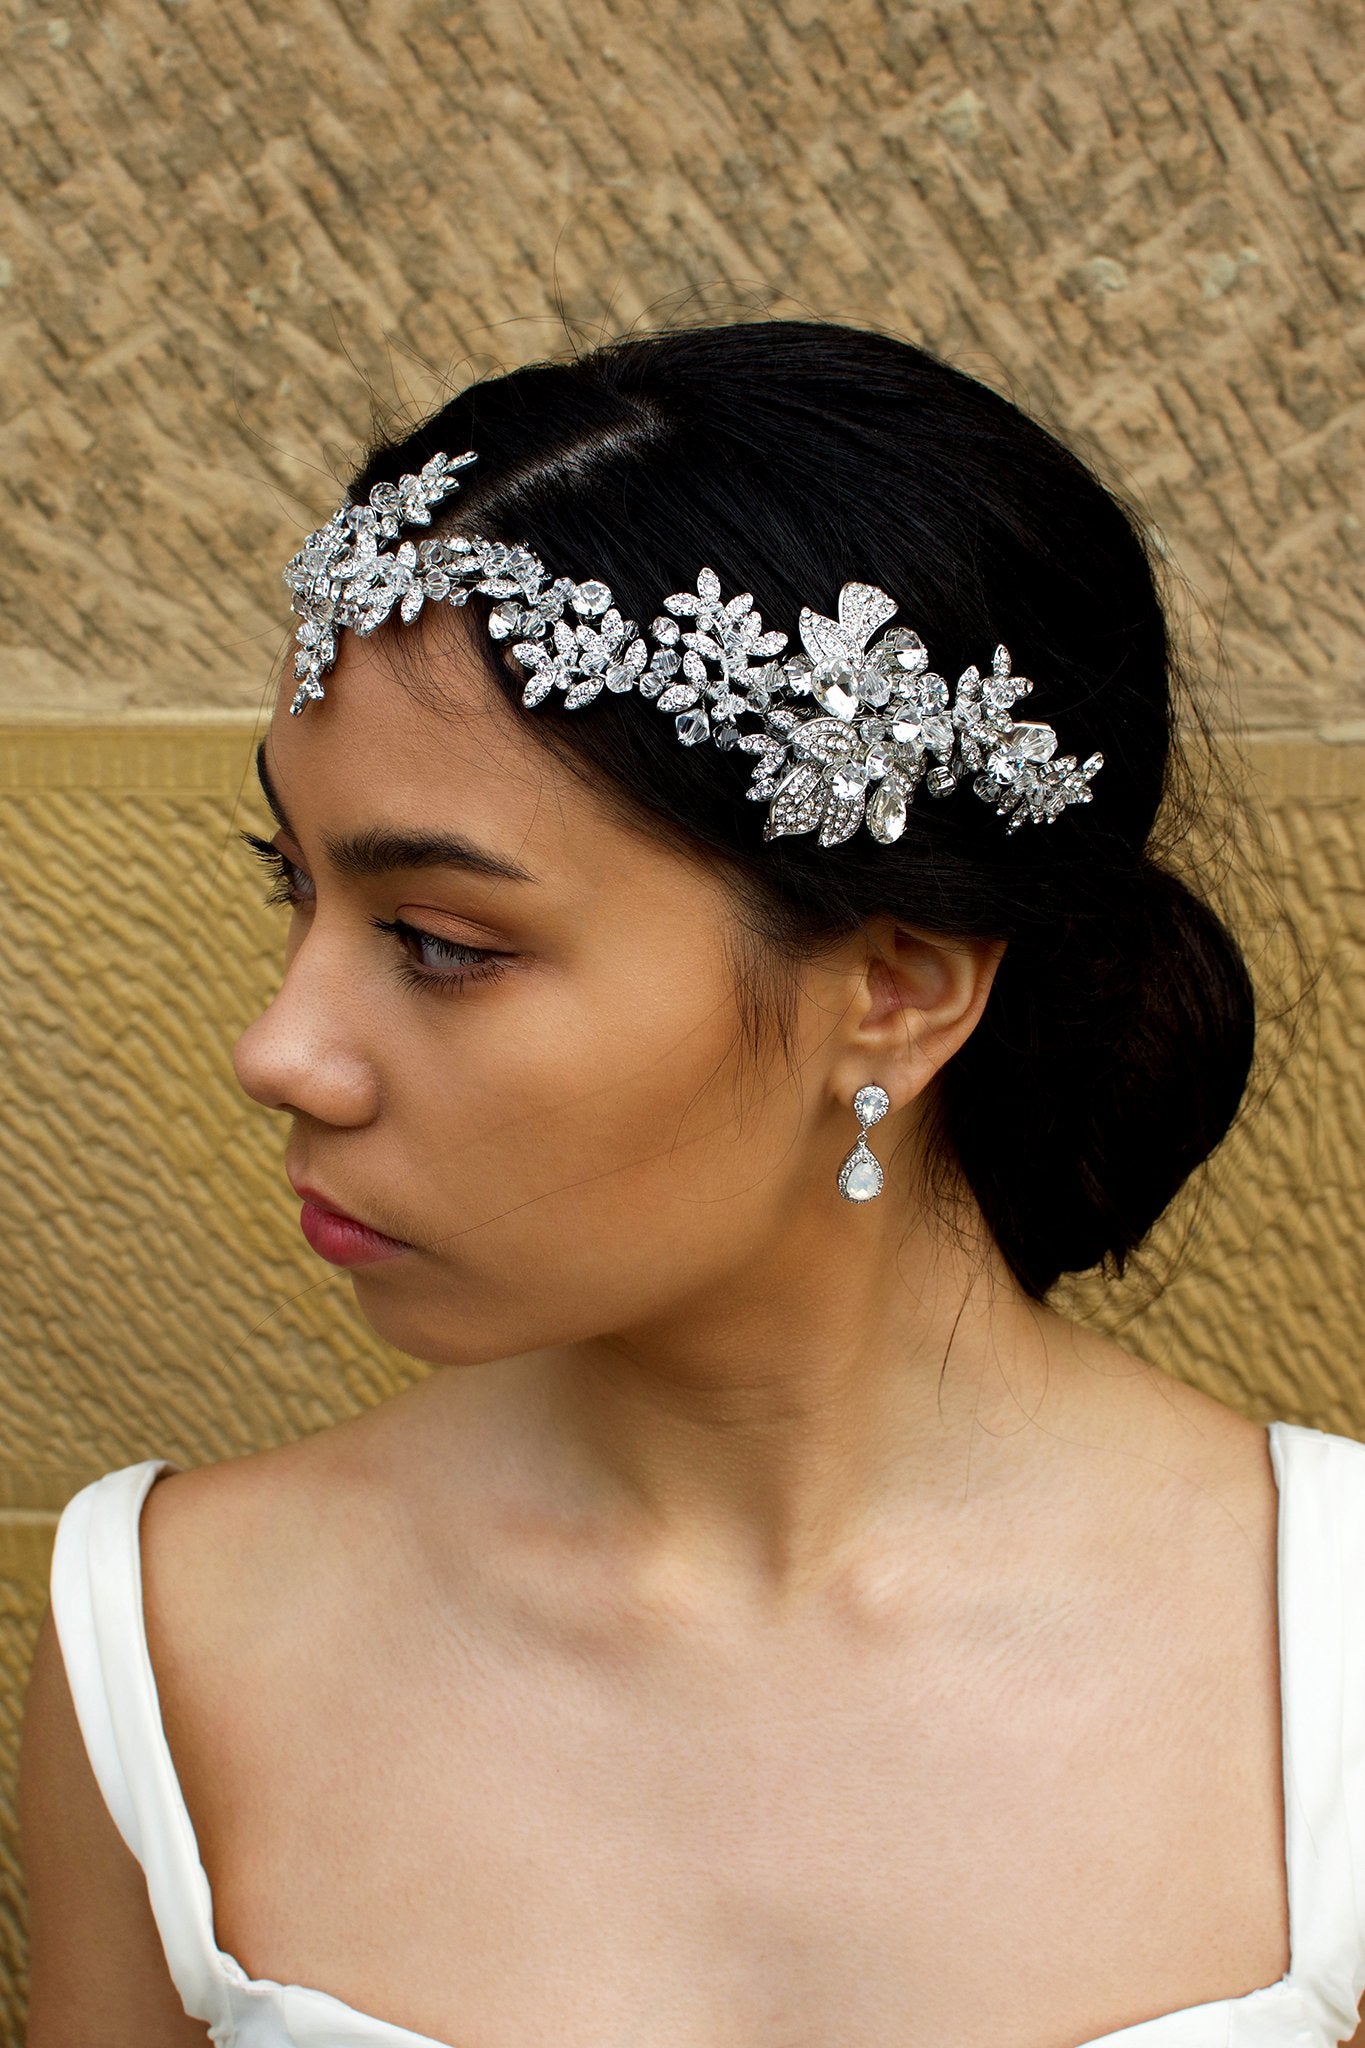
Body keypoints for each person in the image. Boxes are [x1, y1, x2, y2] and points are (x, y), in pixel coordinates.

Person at [18, 320, 1365, 2048]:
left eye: (435, 941)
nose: (279, 1050)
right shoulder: (168, 1636)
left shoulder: (1324, 1667)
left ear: (893, 986)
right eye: (291, 882)